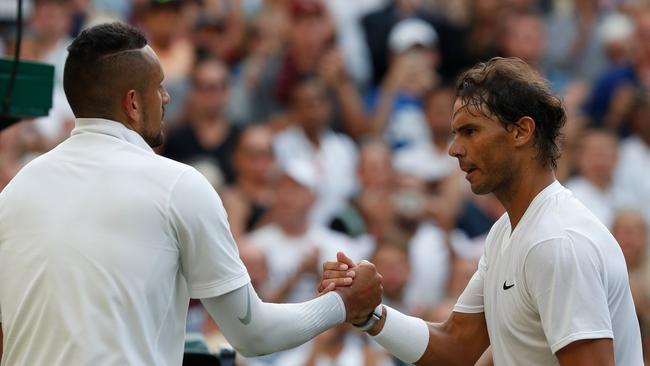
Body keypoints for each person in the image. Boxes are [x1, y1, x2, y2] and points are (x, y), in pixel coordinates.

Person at [0, 22, 383, 366]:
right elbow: (254, 335)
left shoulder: (14, 191)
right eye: (159, 87)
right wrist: (344, 304)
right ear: (132, 103)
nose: (167, 98)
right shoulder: (178, 185)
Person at [321, 57, 643, 365]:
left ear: (521, 131)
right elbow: (456, 347)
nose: (454, 149)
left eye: (470, 131)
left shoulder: (557, 242)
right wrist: (369, 313)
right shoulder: (506, 230)